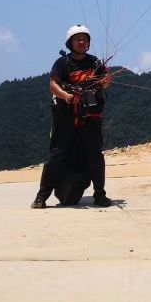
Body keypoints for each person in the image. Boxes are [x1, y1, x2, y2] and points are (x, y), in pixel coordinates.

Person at [32, 26, 115, 208]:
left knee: (95, 154)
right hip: (66, 117)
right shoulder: (62, 63)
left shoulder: (94, 63)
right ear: (70, 43)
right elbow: (53, 85)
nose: (81, 41)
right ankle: (41, 197)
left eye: (84, 38)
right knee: (57, 154)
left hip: (89, 117)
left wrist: (106, 80)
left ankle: (100, 195)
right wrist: (66, 96)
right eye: (77, 39)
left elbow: (105, 85)